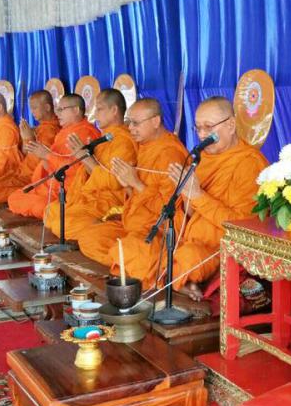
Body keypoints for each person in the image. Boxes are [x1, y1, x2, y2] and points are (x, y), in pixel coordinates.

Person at [157, 96, 267, 300]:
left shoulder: (249, 163)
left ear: (231, 125)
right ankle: (182, 280)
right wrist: (186, 194)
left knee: (188, 257)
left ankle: (180, 279)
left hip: (221, 250)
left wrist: (198, 195)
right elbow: (191, 215)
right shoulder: (201, 159)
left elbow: (244, 226)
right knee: (147, 247)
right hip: (190, 241)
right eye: (197, 128)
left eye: (208, 127)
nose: (201, 135)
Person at [78, 98, 188, 273]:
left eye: (136, 123)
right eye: (129, 122)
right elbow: (135, 195)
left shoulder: (170, 154)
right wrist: (128, 185)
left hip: (156, 230)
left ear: (155, 121)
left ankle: (137, 265)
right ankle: (128, 264)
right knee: (88, 238)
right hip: (132, 224)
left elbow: (169, 210)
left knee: (129, 251)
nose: (130, 128)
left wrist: (135, 183)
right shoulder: (145, 146)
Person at [44, 88, 137, 240]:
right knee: (51, 211)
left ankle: (101, 225)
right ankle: (91, 226)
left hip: (110, 201)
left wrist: (85, 158)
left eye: (99, 109)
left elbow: (115, 181)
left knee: (63, 224)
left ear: (114, 110)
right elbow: (89, 173)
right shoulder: (106, 138)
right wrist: (83, 156)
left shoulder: (123, 142)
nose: (96, 114)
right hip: (91, 196)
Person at [7, 93, 100, 219]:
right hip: (51, 184)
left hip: (67, 190)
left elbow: (76, 170)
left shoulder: (86, 133)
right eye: (58, 109)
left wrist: (47, 155)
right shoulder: (63, 133)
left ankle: (53, 212)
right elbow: (50, 168)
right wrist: (39, 152)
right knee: (15, 197)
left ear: (76, 110)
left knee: (43, 207)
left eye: (62, 109)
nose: (58, 113)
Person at [0, 90, 60, 199]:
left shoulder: (51, 130)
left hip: (34, 176)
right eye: (31, 108)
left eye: (35, 108)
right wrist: (26, 138)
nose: (32, 112)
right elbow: (25, 153)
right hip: (22, 171)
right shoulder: (39, 128)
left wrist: (29, 139)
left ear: (47, 107)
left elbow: (42, 160)